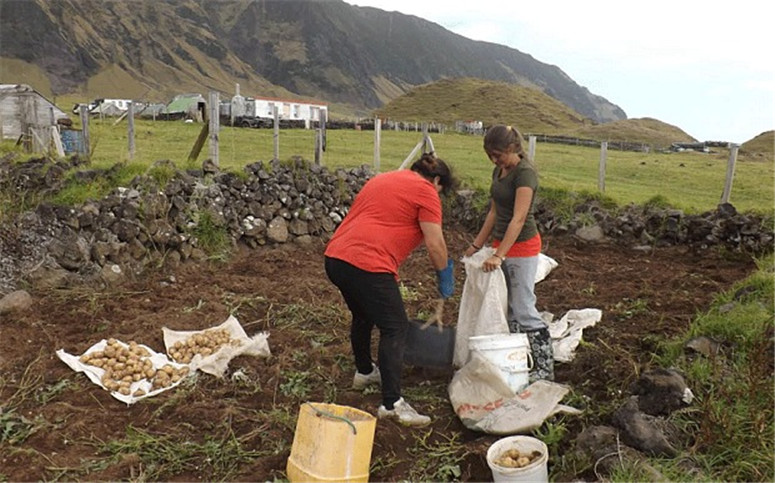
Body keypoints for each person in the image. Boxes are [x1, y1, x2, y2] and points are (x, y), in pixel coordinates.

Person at [324, 153, 457, 426]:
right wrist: (445, 276)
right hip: (369, 263)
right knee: (395, 328)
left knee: (363, 316)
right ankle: (392, 404)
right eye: (440, 191)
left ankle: (364, 372)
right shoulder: (426, 191)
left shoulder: (383, 179)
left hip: (336, 258)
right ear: (436, 181)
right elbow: (435, 243)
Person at [464, 125, 554, 382]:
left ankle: (544, 366)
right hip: (500, 244)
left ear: (513, 148)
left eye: (498, 155)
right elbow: (494, 212)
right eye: (490, 155)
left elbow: (519, 218)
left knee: (523, 306)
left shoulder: (525, 174)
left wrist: (499, 255)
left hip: (522, 247)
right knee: (507, 306)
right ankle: (518, 358)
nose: (494, 160)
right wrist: (477, 245)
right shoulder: (499, 170)